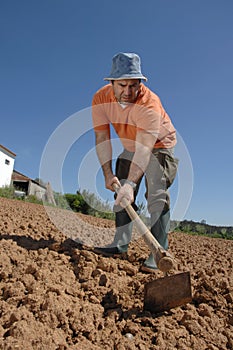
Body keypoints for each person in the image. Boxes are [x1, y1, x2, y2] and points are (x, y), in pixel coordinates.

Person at [92, 52, 178, 272]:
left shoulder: (150, 103)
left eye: (134, 85)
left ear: (141, 83)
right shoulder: (101, 99)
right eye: (122, 85)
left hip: (159, 144)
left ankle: (159, 251)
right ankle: (120, 244)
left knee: (156, 192)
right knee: (120, 189)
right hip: (131, 146)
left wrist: (132, 185)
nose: (128, 91)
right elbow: (102, 138)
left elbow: (145, 148)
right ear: (111, 82)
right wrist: (107, 174)